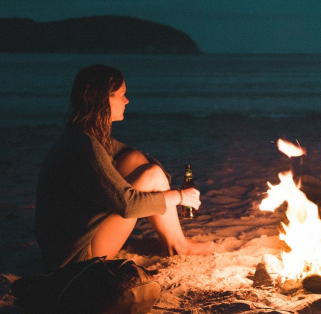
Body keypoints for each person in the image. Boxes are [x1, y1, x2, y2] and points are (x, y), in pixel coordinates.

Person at [35, 64, 212, 271]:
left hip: (67, 244)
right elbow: (128, 206)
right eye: (121, 95)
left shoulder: (84, 136)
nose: (127, 101)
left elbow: (144, 161)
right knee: (151, 175)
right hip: (76, 259)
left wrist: (160, 182)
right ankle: (178, 245)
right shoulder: (86, 147)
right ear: (103, 99)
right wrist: (181, 196)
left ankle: (176, 242)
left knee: (134, 159)